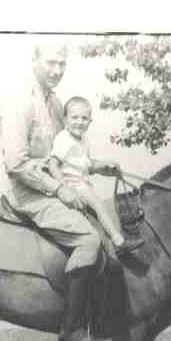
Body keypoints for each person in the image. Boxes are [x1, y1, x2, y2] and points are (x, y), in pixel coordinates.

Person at [0, 40, 115, 341]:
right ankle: (72, 330)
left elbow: (70, 153)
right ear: (34, 59)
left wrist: (100, 166)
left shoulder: (56, 104)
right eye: (51, 62)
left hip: (55, 186)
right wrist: (59, 189)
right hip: (29, 193)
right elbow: (16, 163)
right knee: (89, 240)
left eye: (62, 64)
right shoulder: (20, 102)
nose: (57, 70)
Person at [47, 96, 144, 256]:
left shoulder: (83, 140)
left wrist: (104, 166)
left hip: (82, 182)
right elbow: (53, 164)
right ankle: (118, 241)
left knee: (104, 207)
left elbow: (87, 164)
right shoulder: (63, 139)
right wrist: (64, 187)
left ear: (90, 121)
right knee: (100, 207)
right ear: (65, 120)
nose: (79, 122)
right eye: (75, 117)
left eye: (84, 118)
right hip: (73, 184)